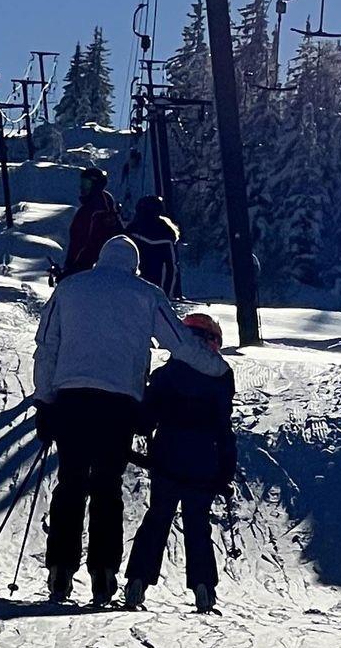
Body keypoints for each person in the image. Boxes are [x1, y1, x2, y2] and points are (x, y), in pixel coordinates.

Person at [32, 235, 229, 606]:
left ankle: (60, 569)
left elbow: (46, 347)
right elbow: (181, 343)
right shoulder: (146, 293)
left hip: (72, 399)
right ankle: (103, 573)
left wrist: (45, 400)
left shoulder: (69, 288)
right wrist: (217, 367)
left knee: (71, 483)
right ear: (134, 266)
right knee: (107, 486)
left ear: (101, 258)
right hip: (119, 404)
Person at [124, 312, 235, 613]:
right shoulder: (222, 375)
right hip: (205, 457)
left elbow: (146, 418)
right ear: (212, 341)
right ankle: (203, 588)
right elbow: (223, 426)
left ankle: (137, 581)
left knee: (158, 517)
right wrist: (226, 467)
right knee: (197, 522)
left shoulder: (167, 373)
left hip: (168, 454)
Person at [59, 167, 123, 278]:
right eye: (82, 183)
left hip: (87, 269)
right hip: (105, 267)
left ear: (96, 185)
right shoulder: (108, 206)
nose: (82, 187)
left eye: (86, 184)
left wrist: (70, 269)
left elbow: (81, 243)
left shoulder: (91, 211)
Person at [127, 192, 182, 299]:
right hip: (157, 293)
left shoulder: (130, 233)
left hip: (135, 293)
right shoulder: (167, 233)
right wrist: (167, 296)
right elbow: (172, 269)